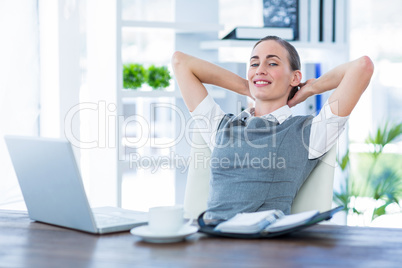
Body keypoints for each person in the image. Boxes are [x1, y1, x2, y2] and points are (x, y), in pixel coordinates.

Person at [172, 35, 374, 220]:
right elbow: (181, 62)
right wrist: (249, 85)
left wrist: (310, 88)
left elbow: (362, 67)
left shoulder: (308, 133)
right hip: (210, 241)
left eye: (272, 63)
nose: (260, 69)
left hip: (263, 247)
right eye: (254, 64)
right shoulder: (220, 125)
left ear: (294, 78)